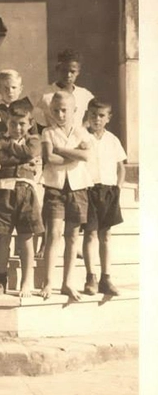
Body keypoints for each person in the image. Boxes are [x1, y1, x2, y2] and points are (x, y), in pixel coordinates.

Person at [40, 91, 93, 300]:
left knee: (72, 236)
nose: (60, 114)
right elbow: (49, 158)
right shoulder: (47, 132)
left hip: (78, 187)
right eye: (56, 110)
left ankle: (67, 282)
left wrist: (61, 149)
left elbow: (86, 155)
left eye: (64, 110)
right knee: (53, 233)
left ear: (74, 111)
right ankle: (48, 282)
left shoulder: (82, 133)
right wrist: (73, 155)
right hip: (55, 187)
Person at [0, 102, 43, 297]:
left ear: (30, 123)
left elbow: (30, 153)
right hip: (3, 192)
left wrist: (9, 148)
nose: (17, 128)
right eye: (13, 123)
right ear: (7, 122)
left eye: (21, 123)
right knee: (2, 238)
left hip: (25, 191)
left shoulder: (34, 139)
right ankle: (1, 280)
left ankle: (26, 282)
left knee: (26, 238)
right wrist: (22, 160)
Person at [82, 99, 126, 296]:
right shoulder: (81, 137)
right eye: (93, 115)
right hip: (88, 189)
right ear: (87, 115)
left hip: (108, 190)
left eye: (101, 116)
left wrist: (118, 187)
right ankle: (90, 277)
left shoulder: (112, 140)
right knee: (90, 233)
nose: (97, 119)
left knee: (105, 234)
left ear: (108, 118)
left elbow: (121, 166)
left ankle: (105, 277)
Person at [33, 49, 95, 131]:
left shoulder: (85, 95)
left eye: (72, 71)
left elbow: (97, 114)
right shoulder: (43, 93)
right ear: (58, 69)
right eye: (64, 71)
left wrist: (83, 128)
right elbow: (23, 112)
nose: (68, 75)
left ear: (78, 72)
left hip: (76, 141)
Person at [0, 69, 33, 134]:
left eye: (14, 87)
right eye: (6, 88)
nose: (10, 91)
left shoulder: (28, 109)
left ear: (20, 89)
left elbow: (34, 134)